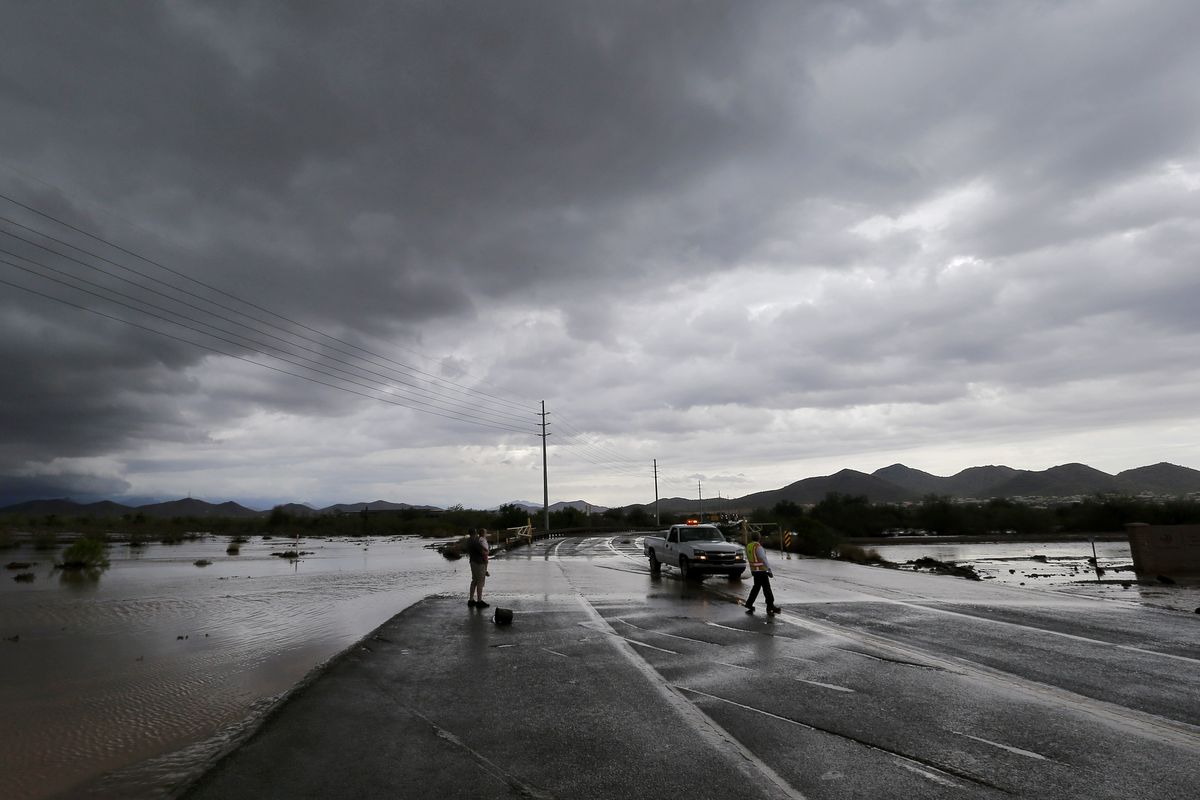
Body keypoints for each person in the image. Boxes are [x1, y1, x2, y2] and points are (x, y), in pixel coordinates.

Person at [744, 531, 781, 615]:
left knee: (756, 588)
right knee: (767, 588)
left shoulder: (749, 546)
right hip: (761, 571)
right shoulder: (758, 547)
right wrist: (769, 570)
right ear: (759, 537)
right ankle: (770, 606)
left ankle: (749, 603)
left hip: (754, 571)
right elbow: (763, 559)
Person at [466, 528, 490, 609]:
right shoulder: (475, 542)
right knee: (480, 582)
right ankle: (479, 602)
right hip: (479, 563)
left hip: (472, 561)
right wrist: (487, 552)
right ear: (475, 533)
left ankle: (471, 600)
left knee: (474, 581)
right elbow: (484, 552)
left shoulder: (469, 540)